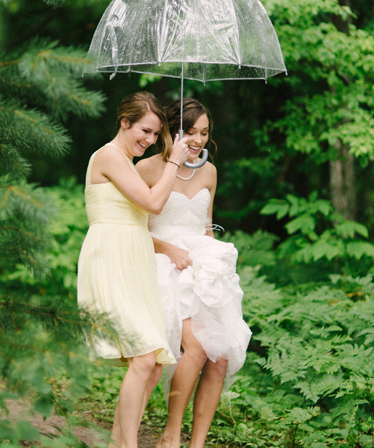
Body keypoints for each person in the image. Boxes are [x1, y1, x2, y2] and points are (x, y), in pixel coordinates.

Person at [77, 91, 191, 448]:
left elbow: (139, 220)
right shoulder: (109, 156)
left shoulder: (126, 162)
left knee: (153, 364)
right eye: (144, 130)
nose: (150, 140)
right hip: (110, 259)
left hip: (134, 260)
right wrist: (173, 162)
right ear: (124, 122)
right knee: (143, 358)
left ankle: (116, 441)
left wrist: (169, 247)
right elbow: (154, 204)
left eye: (156, 135)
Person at [136, 98, 252, 448]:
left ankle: (196, 443)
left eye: (205, 132)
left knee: (219, 356)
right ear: (171, 130)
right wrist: (170, 250)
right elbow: (134, 230)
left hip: (201, 267)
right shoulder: (147, 169)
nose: (199, 140)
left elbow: (205, 227)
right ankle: (170, 435)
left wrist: (219, 269)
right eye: (191, 131)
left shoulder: (209, 172)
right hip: (163, 265)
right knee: (198, 346)